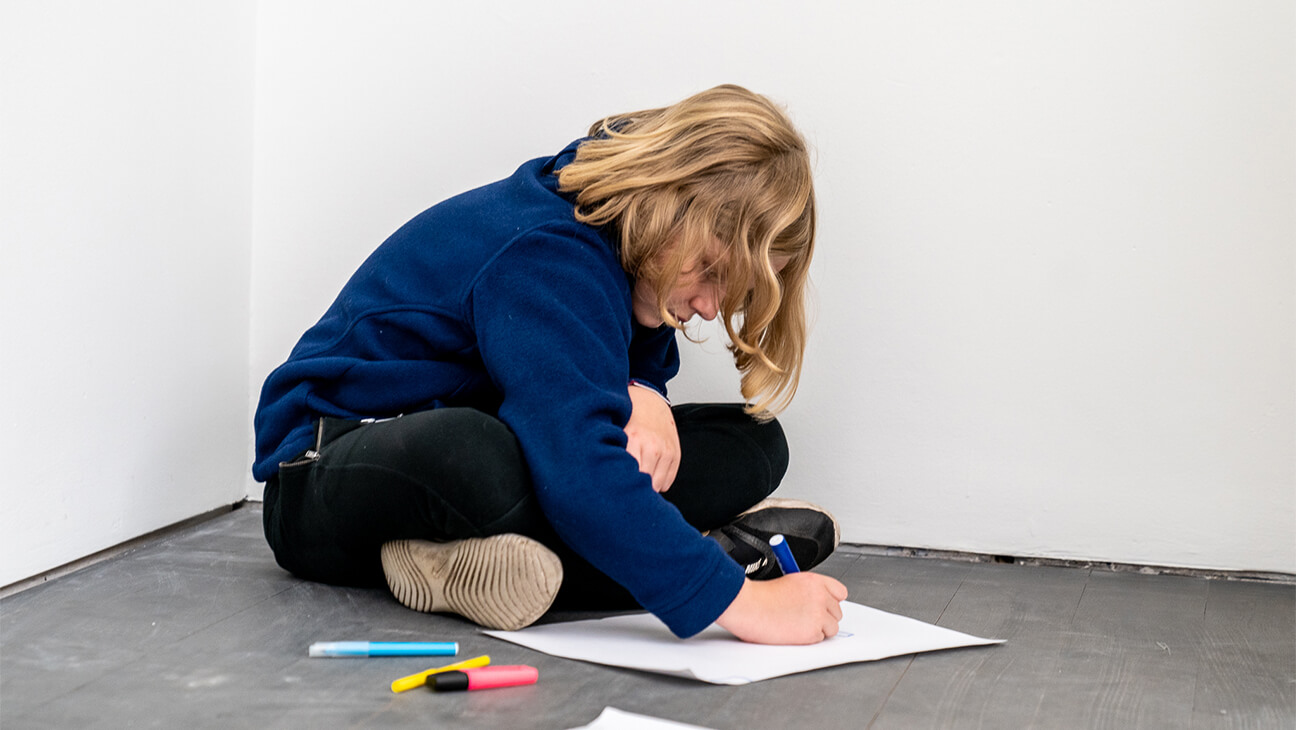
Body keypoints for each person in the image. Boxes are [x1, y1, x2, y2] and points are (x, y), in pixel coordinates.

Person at [253, 84, 848, 645]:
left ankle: (469, 561)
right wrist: (744, 606)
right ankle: (702, 561)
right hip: (325, 473)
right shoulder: (549, 253)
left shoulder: (624, 230)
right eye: (712, 272)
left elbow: (600, 359)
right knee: (481, 454)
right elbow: (576, 464)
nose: (711, 307)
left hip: (505, 437)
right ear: (670, 210)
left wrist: (646, 393)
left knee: (755, 440)